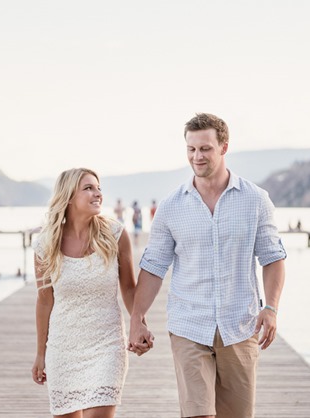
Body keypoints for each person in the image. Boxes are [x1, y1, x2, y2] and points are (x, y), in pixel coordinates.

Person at [128, 113, 287, 418]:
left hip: (240, 325)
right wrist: (137, 318)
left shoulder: (255, 200)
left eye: (205, 149)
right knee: (197, 414)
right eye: (191, 149)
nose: (197, 157)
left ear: (224, 147)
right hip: (189, 325)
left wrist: (272, 307)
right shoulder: (171, 207)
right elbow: (153, 267)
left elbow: (273, 258)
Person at [31, 168, 138, 418]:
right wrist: (40, 353)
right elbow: (45, 301)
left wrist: (138, 324)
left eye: (98, 187)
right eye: (88, 188)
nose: (97, 193)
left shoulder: (115, 235)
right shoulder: (45, 244)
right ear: (68, 197)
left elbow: (129, 288)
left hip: (107, 345)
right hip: (63, 349)